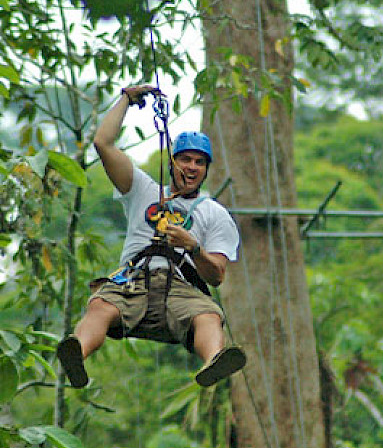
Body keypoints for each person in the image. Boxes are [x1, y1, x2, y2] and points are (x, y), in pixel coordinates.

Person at [57, 84, 246, 389]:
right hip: (133, 281)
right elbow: (103, 143)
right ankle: (77, 352)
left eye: (200, 162)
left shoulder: (214, 214)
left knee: (209, 315)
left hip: (181, 290)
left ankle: (214, 360)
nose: (192, 167)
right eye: (186, 160)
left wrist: (193, 247)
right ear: (173, 162)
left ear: (207, 169)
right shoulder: (142, 190)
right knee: (101, 305)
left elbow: (217, 276)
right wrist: (127, 99)